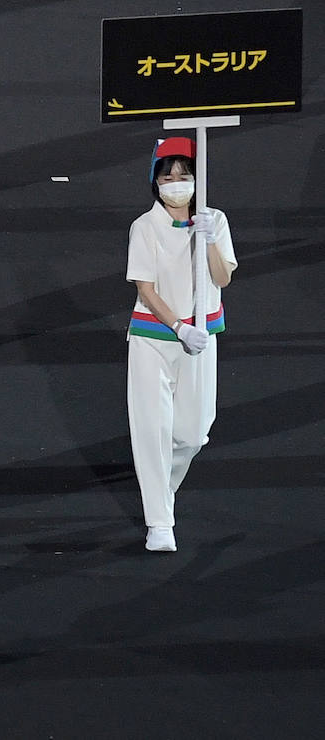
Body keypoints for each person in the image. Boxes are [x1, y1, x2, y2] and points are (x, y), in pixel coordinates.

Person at [125, 137, 236, 552]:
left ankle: (161, 494)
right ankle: (159, 521)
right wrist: (177, 327)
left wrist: (207, 239)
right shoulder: (144, 226)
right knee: (152, 430)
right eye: (167, 176)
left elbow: (223, 278)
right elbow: (145, 287)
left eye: (184, 175)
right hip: (155, 337)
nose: (176, 183)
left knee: (193, 433)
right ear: (155, 181)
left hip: (202, 337)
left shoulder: (215, 220)